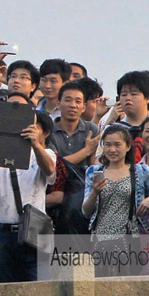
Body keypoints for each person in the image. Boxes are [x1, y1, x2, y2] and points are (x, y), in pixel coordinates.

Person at [0, 106, 56, 283]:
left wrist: (35, 144)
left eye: (32, 125)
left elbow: (50, 170)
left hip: (35, 231)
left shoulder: (47, 153)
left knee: (39, 290)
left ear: (43, 132)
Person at [82, 125, 149, 275]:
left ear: (127, 147)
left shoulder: (140, 171)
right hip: (100, 240)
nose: (112, 149)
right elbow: (86, 212)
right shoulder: (94, 172)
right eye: (107, 145)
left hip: (128, 239)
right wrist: (94, 192)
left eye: (117, 144)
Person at [48, 81, 100, 234]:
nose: (73, 105)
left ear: (84, 107)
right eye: (68, 100)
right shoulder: (49, 130)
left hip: (81, 185)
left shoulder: (91, 129)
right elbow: (54, 166)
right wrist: (86, 151)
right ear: (58, 103)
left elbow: (92, 166)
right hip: (53, 184)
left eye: (78, 101)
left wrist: (90, 152)